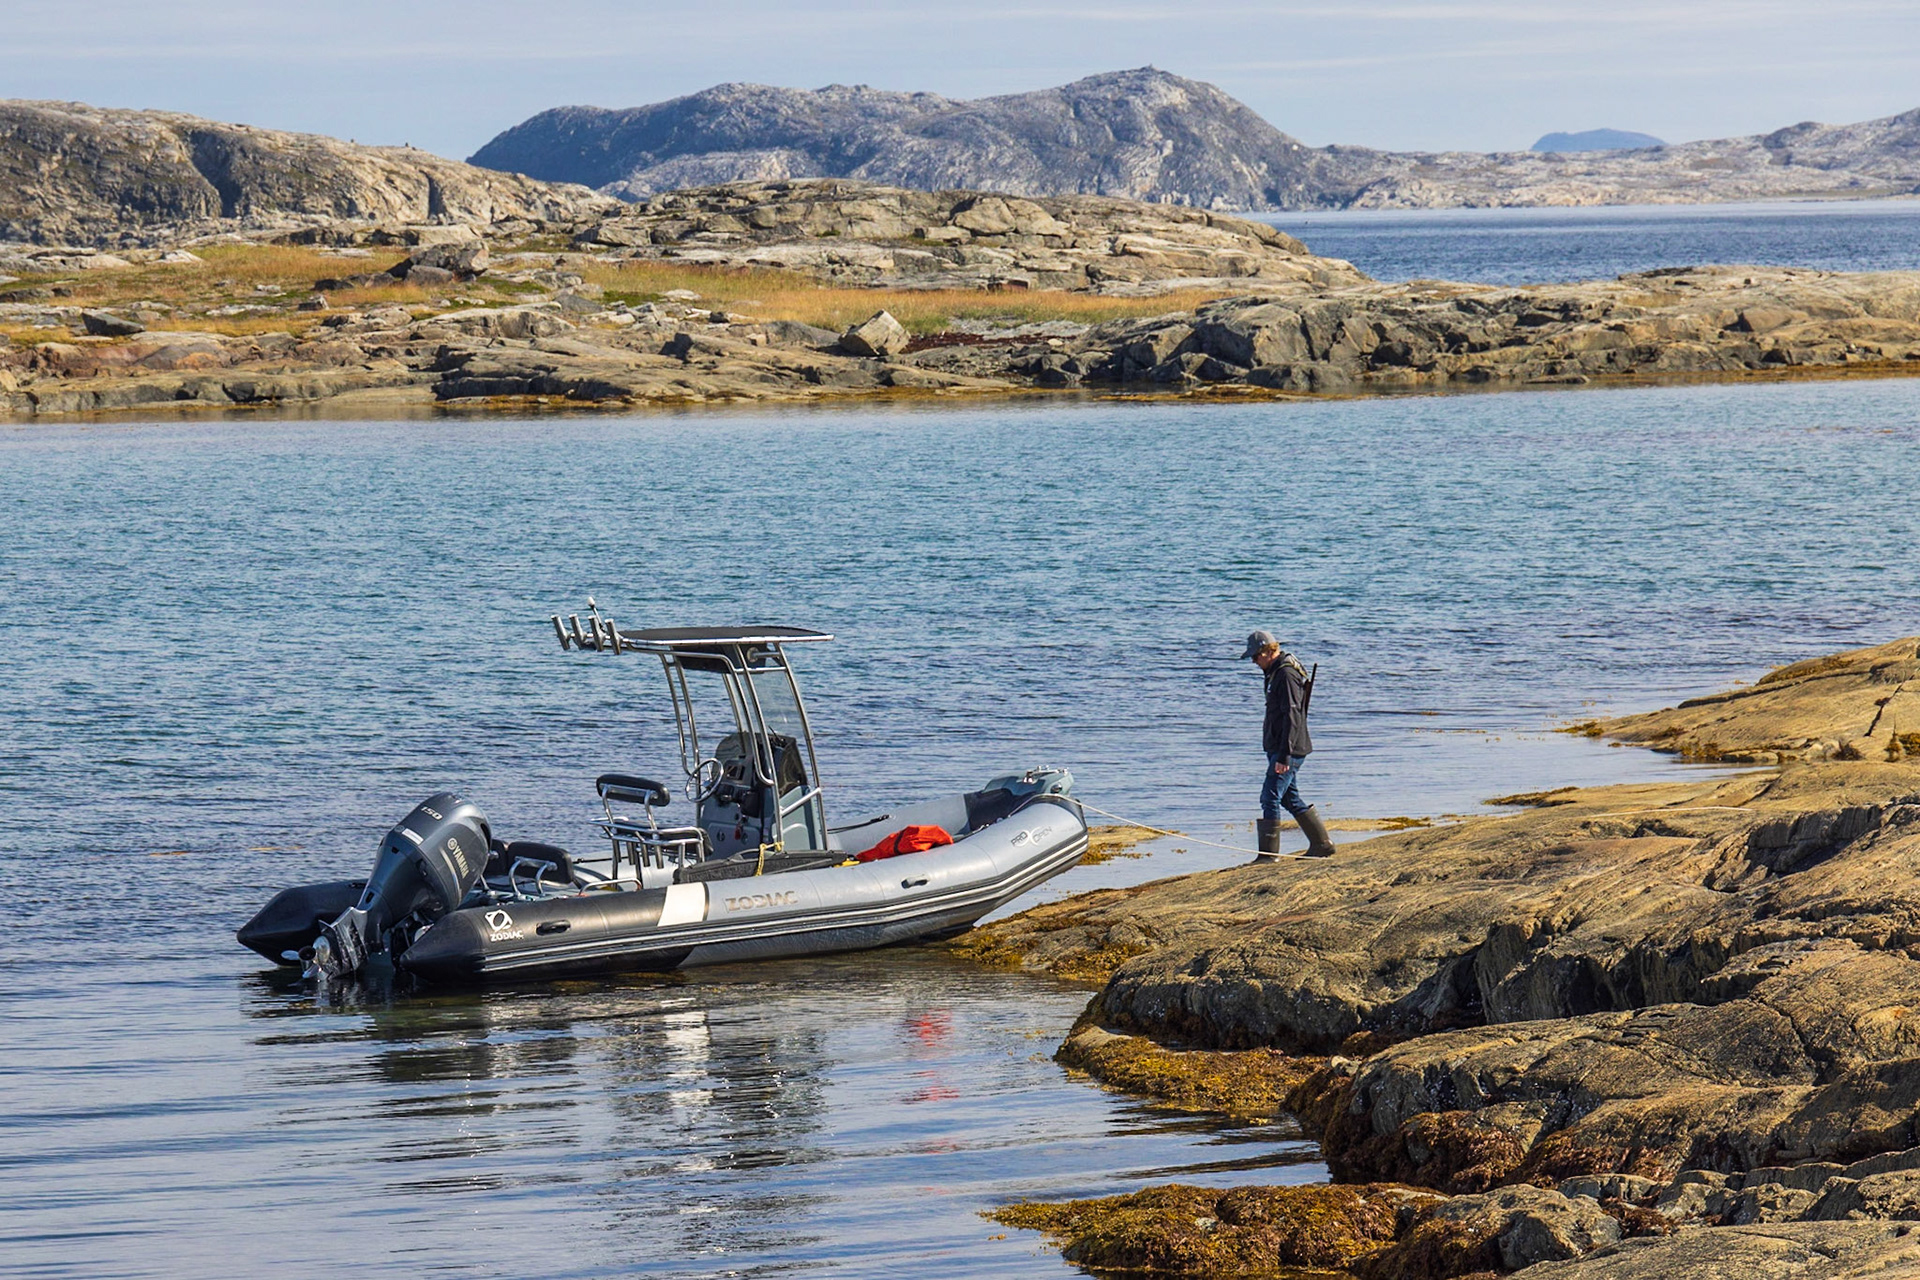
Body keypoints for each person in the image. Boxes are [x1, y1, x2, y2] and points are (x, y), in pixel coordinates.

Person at [1241, 630, 1335, 861]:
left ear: (1267, 651)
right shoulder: (1275, 673)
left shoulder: (1285, 675)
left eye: (1255, 656)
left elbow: (1292, 716)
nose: (1254, 661)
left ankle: (1268, 856)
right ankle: (1321, 844)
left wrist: (1284, 755)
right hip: (1280, 746)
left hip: (1288, 749)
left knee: (1270, 796)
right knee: (1288, 797)